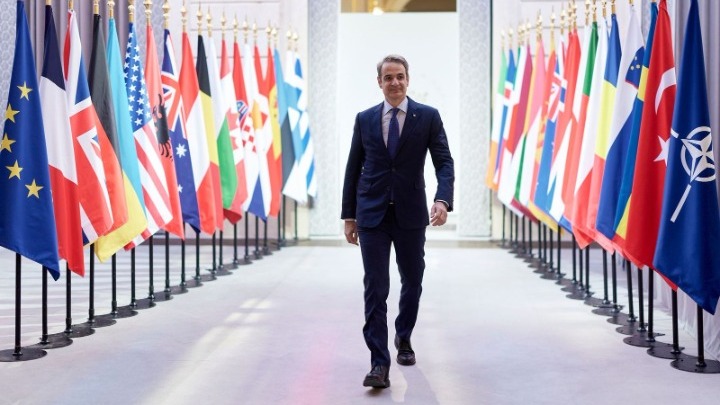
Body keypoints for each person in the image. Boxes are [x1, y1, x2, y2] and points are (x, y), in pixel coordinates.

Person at [341, 54, 455, 389]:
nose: (395, 82)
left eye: (400, 76)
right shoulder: (365, 119)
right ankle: (379, 363)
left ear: (408, 79)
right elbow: (353, 168)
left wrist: (442, 199)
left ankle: (403, 336)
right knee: (376, 287)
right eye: (388, 77)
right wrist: (349, 215)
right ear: (379, 82)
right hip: (372, 215)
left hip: (410, 214)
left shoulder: (428, 117)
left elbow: (444, 162)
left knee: (412, 280)